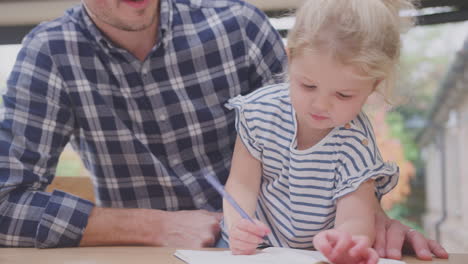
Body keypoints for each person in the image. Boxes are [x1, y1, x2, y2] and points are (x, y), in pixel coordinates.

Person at [0, 0, 448, 260]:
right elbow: (6, 200)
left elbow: (322, 129)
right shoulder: (51, 53)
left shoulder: (240, 28)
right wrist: (152, 226)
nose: (322, 98)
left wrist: (366, 219)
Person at [219, 0, 448, 262]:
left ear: (373, 86)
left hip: (314, 257)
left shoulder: (355, 140)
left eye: (343, 94)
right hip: (250, 252)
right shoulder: (259, 112)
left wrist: (345, 242)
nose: (321, 105)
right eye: (308, 85)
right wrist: (240, 226)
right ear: (290, 57)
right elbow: (241, 184)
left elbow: (355, 217)